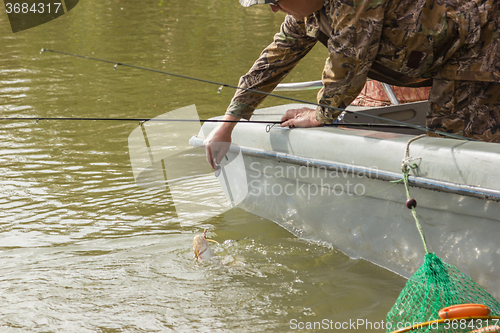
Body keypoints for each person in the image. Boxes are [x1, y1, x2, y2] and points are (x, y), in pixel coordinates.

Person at [204, 0, 500, 168]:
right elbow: (276, 57)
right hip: (445, 60)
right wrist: (229, 121)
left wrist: (322, 114)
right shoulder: (308, 10)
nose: (274, 9)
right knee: (446, 148)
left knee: (461, 154)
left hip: (479, 45)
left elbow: (348, 62)